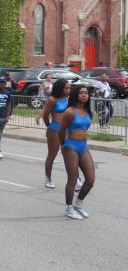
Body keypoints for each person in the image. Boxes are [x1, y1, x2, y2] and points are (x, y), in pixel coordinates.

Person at [59, 86, 95, 220]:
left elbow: (84, 128)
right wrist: (64, 146)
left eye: (86, 93)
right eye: (81, 93)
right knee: (73, 179)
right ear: (76, 95)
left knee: (90, 180)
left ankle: (78, 204)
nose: (85, 95)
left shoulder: (88, 111)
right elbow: (61, 131)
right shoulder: (70, 111)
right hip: (70, 147)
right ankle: (69, 209)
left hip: (83, 147)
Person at [39, 79, 70, 189]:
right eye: (66, 88)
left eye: (69, 88)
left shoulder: (68, 99)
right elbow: (45, 115)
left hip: (66, 130)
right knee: (52, 155)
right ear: (59, 88)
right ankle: (48, 179)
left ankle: (75, 179)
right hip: (55, 129)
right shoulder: (52, 99)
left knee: (69, 155)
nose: (68, 90)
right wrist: (50, 127)